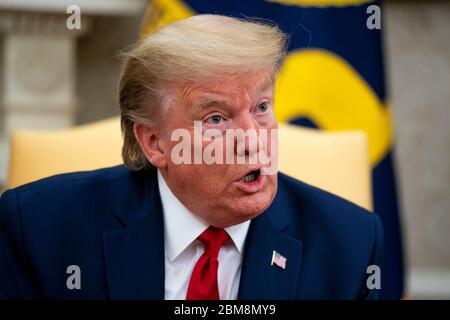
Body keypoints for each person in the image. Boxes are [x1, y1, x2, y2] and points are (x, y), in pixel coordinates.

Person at [0, 14, 383, 299]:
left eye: (262, 106)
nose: (253, 141)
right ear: (154, 143)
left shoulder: (349, 245)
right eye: (216, 118)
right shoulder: (38, 229)